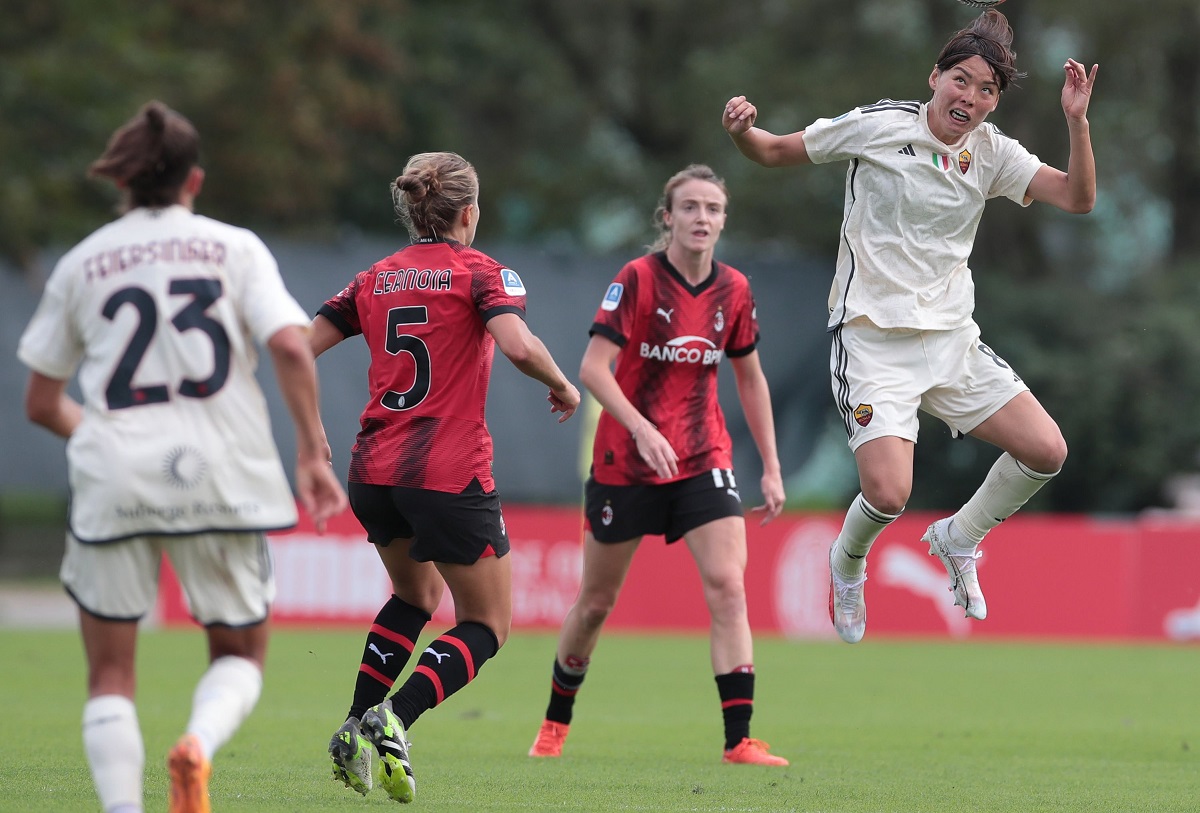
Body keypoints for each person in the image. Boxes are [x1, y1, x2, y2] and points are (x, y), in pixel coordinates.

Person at [722, 10, 1097, 643]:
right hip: (871, 340)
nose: (971, 97)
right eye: (962, 80)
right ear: (935, 77)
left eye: (987, 90)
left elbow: (1080, 199)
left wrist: (1077, 121)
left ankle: (959, 537)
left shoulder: (992, 152)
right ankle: (846, 562)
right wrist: (742, 132)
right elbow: (773, 151)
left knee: (1047, 450)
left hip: (951, 341)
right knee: (890, 493)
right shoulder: (878, 128)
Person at [17, 101, 348, 813]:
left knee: (110, 672)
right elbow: (291, 344)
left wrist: (108, 447)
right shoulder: (235, 248)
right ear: (194, 181)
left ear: (123, 184)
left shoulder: (81, 263)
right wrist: (311, 454)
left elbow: (41, 402)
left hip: (113, 482)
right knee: (238, 655)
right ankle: (196, 743)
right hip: (221, 472)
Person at [313, 151, 580, 803]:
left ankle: (353, 726)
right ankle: (392, 717)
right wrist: (563, 383)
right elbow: (517, 345)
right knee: (487, 623)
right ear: (469, 212)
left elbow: (296, 342)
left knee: (414, 598)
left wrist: (304, 427)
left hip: (372, 469)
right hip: (446, 469)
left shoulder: (375, 276)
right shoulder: (481, 272)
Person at [528, 164, 789, 766]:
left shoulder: (734, 291)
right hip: (627, 461)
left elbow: (750, 378)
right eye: (690, 207)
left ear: (724, 219)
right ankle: (555, 723)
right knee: (595, 603)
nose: (702, 218)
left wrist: (771, 467)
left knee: (727, 587)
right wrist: (642, 428)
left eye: (713, 209)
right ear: (667, 217)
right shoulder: (638, 281)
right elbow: (593, 368)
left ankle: (739, 739)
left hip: (702, 459)